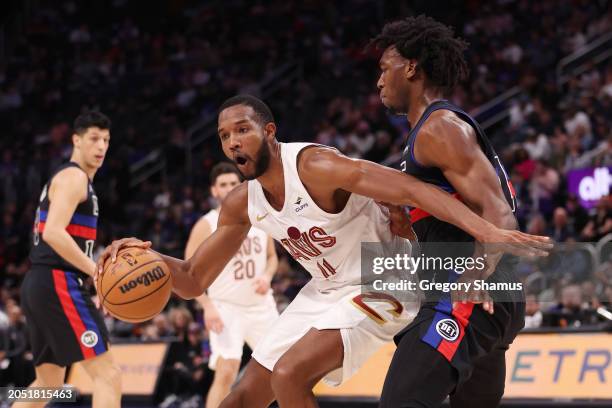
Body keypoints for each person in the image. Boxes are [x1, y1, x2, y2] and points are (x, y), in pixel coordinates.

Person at [98, 95, 550, 407]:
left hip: (386, 276)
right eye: (224, 136)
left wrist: (485, 228)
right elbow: (194, 278)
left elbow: (410, 186)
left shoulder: (315, 165)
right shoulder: (241, 202)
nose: (233, 141)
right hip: (329, 287)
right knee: (239, 399)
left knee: (290, 374)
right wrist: (151, 261)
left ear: (269, 132)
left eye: (242, 130)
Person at [372, 16, 540, 407]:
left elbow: (499, 212)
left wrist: (477, 275)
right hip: (488, 294)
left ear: (411, 67)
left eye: (384, 69)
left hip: (467, 290)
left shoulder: (439, 128)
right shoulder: (431, 133)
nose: (379, 80)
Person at [18, 111, 121, 408]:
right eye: (94, 139)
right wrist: (97, 273)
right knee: (109, 375)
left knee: (48, 383)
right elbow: (53, 233)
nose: (101, 146)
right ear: (76, 140)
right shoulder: (73, 176)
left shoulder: (74, 180)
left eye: (106, 140)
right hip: (57, 281)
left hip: (40, 282)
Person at [185, 162, 279, 408]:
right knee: (227, 370)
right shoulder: (206, 224)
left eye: (233, 183)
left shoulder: (259, 216)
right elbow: (186, 273)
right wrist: (207, 306)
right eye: (223, 185)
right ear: (214, 191)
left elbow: (272, 257)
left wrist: (267, 277)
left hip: (261, 306)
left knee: (280, 369)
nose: (229, 188)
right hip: (226, 307)